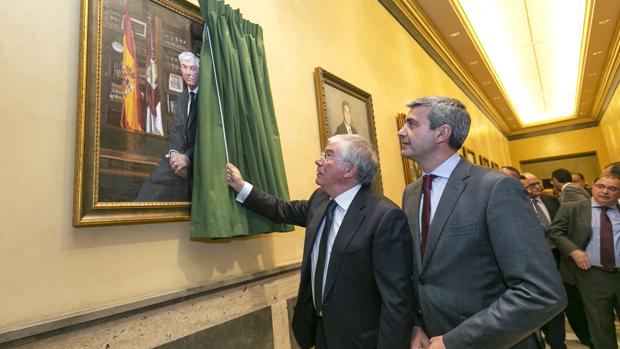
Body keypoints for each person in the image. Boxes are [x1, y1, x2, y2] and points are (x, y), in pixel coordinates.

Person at [397, 96, 566, 349]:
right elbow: (419, 273)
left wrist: (454, 341)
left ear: (442, 133)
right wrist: (415, 325)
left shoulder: (496, 188)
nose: (401, 131)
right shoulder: (411, 193)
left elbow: (540, 292)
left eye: (412, 124)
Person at [226, 134, 415, 349]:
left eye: (328, 155)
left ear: (349, 170)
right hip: (321, 333)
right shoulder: (321, 199)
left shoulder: (384, 217)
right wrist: (241, 187)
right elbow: (282, 210)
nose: (318, 160)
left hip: (360, 341)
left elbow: (397, 302)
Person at [548, 174, 620, 349]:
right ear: (592, 187)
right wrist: (573, 250)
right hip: (593, 275)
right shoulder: (572, 208)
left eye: (612, 189)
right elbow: (555, 231)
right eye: (601, 186)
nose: (605, 191)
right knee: (601, 326)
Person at [136, 52, 199, 201]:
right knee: (149, 190)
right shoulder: (182, 97)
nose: (188, 73)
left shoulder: (206, 97)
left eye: (193, 68)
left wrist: (187, 159)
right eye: (184, 67)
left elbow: (208, 137)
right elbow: (176, 130)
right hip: (177, 159)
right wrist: (173, 154)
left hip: (197, 160)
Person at [523, 173, 566, 349]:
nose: (537, 187)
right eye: (531, 185)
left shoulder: (552, 201)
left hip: (559, 255)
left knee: (560, 299)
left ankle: (558, 342)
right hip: (533, 259)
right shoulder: (517, 205)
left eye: (538, 183)